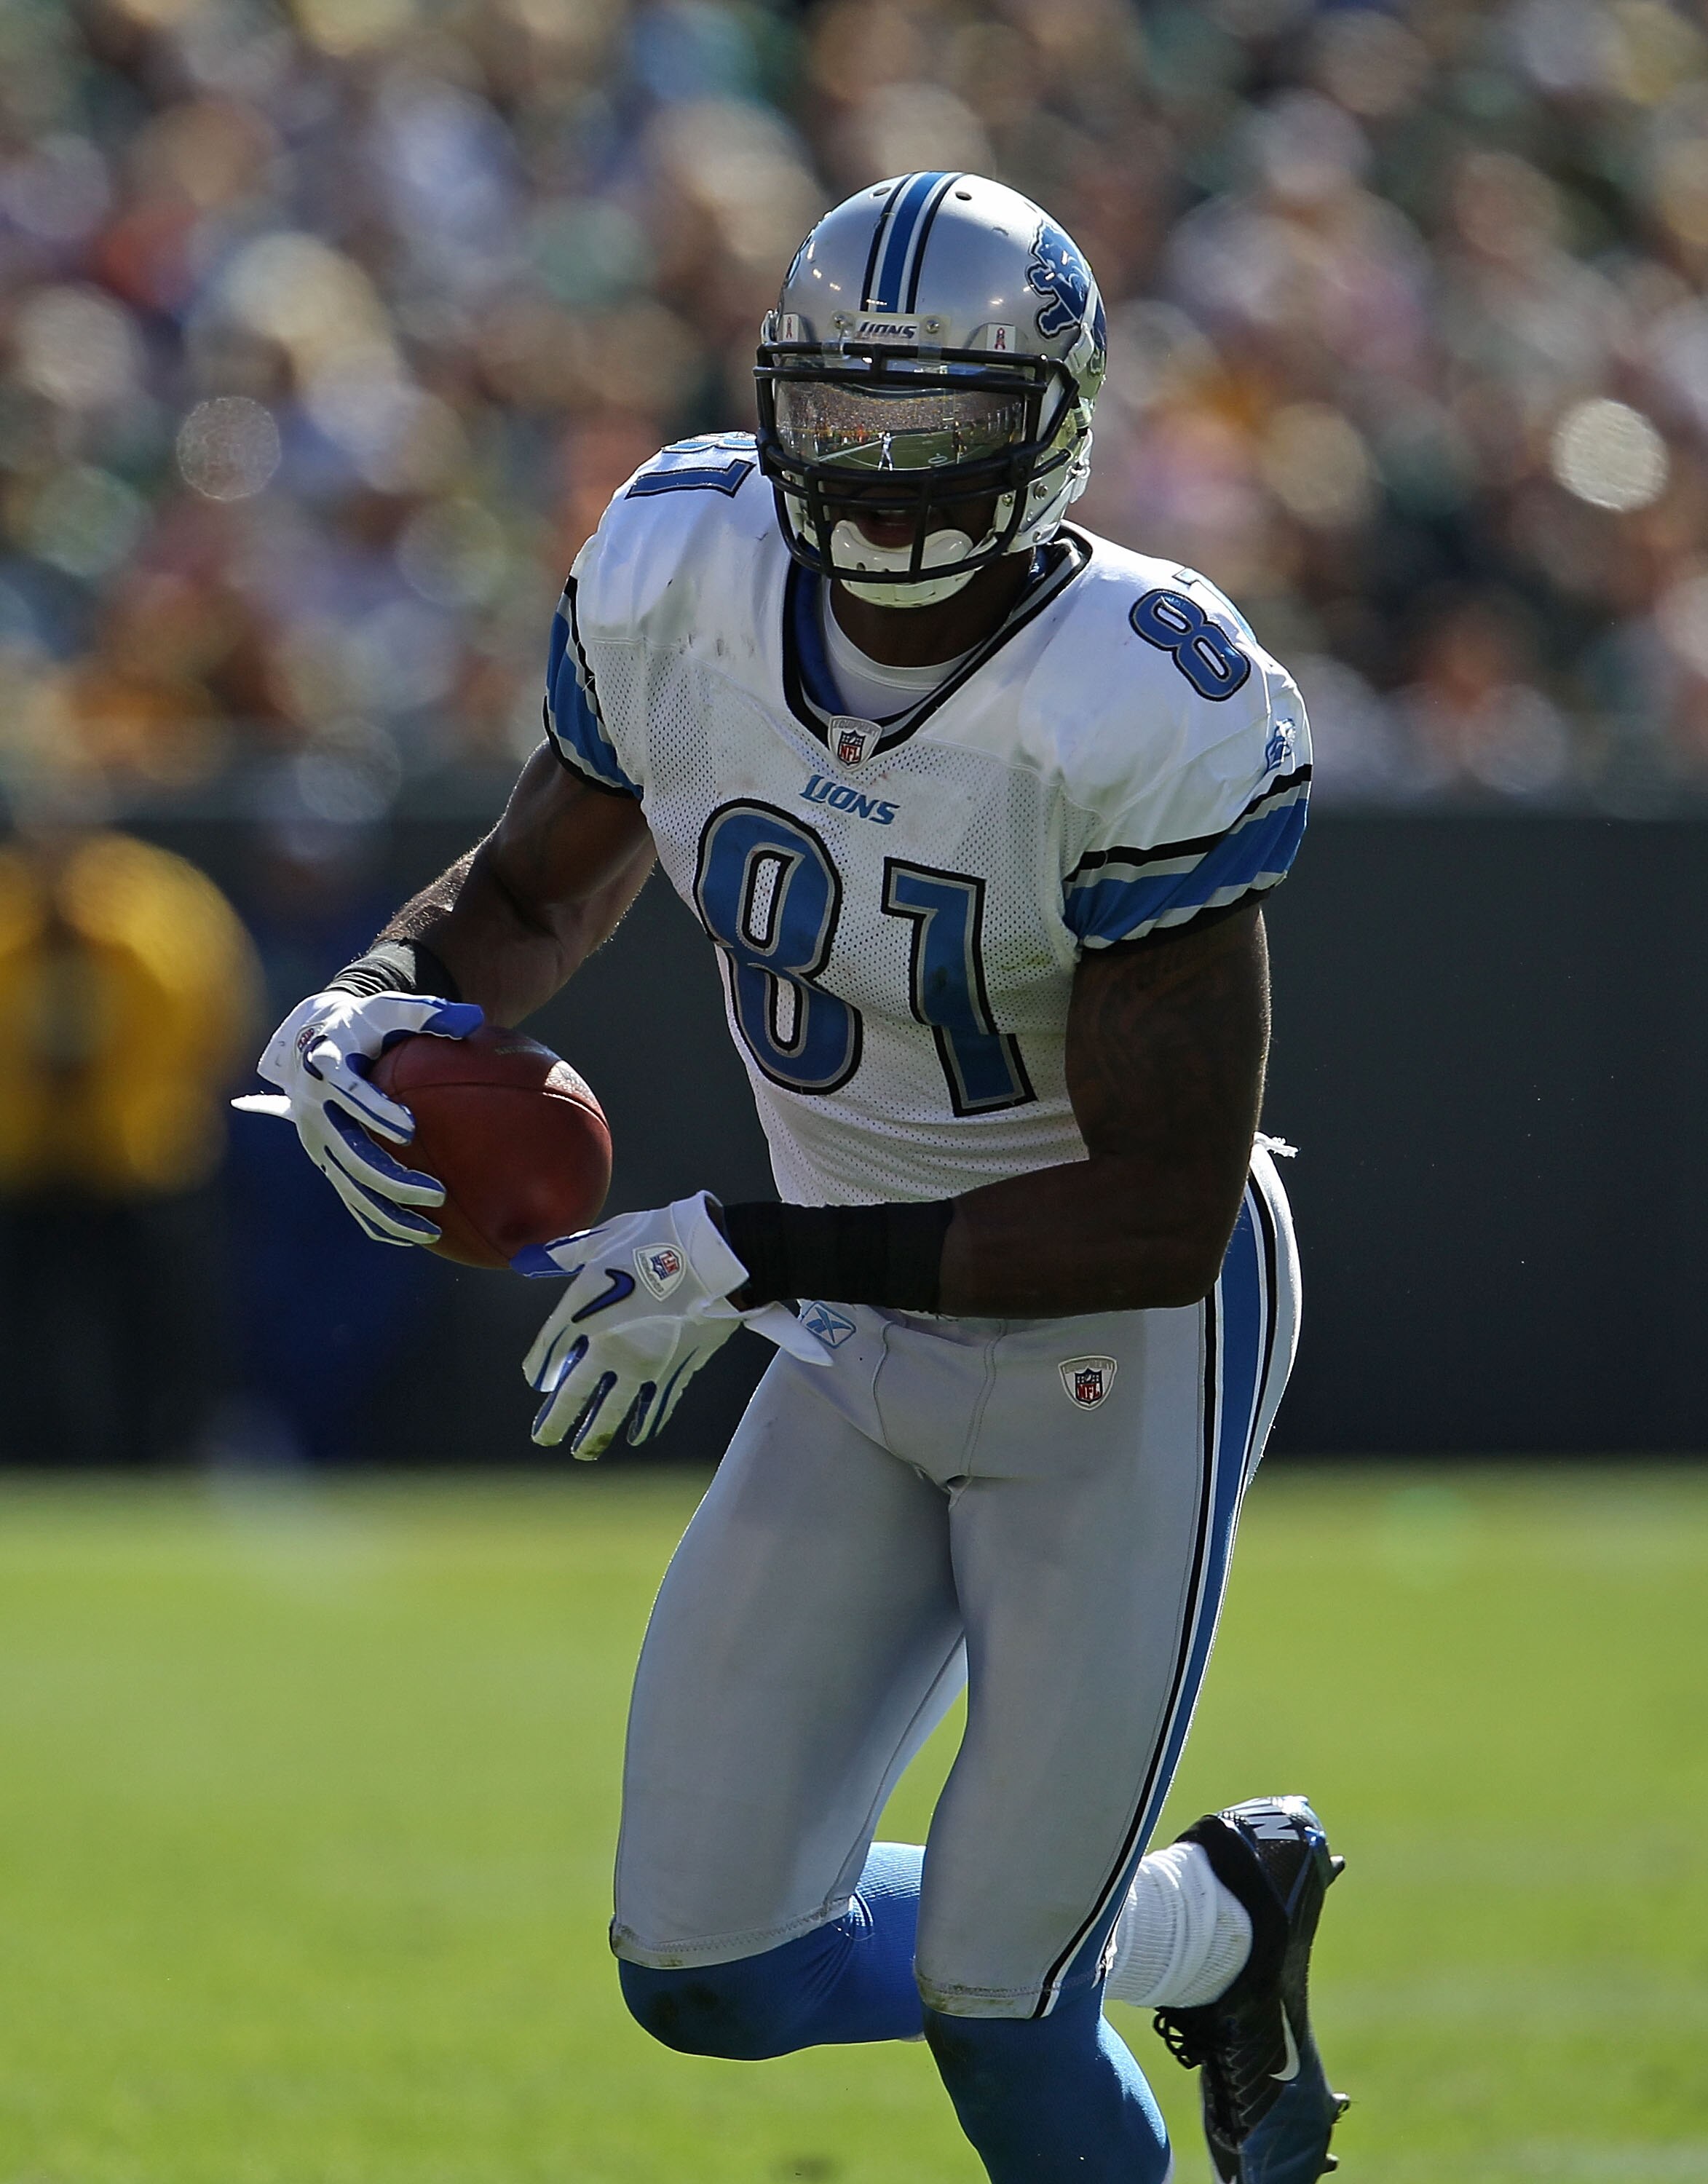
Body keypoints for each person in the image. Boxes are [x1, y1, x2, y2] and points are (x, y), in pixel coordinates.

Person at [248, 175, 1347, 2184]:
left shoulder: (1137, 695)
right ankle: (1208, 1917)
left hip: (1117, 1347)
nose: (888, 472)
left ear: (1055, 423)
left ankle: (1119, 1953)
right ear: (773, 402)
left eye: (940, 422)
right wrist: (376, 1007)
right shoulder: (679, 564)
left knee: (1001, 2008)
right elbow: (521, 898)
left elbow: (1154, 1209)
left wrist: (748, 1246)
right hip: (843, 1317)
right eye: (845, 415)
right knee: (702, 1967)